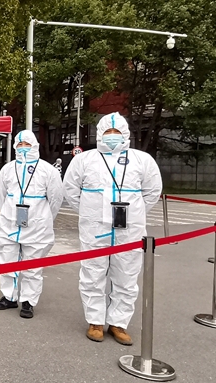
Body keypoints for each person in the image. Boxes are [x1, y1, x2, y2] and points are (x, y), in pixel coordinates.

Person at [63, 112, 162, 345]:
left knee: (126, 275)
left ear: (125, 134)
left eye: (117, 132)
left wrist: (135, 212)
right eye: (108, 131)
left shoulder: (142, 160)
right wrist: (90, 211)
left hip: (129, 229)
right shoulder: (84, 160)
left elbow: (152, 192)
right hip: (94, 227)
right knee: (92, 273)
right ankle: (95, 320)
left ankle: (119, 322)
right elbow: (71, 190)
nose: (112, 136)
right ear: (100, 134)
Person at [0, 130, 63, 318]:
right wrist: (9, 213)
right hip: (10, 224)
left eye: (27, 144)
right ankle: (9, 296)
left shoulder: (47, 170)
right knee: (7, 261)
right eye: (20, 144)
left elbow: (55, 199)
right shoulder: (8, 169)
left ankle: (28, 301)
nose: (23, 148)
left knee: (32, 266)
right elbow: (1, 195)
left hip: (37, 227)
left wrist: (43, 218)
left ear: (35, 146)